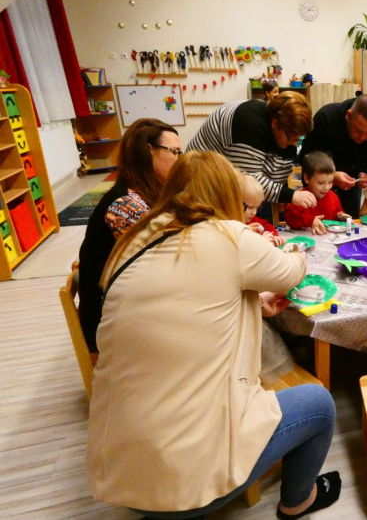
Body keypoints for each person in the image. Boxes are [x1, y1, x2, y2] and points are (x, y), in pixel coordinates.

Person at [87, 150, 341, 519]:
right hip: (188, 478)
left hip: (120, 473)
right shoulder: (227, 235)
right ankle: (297, 500)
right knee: (320, 404)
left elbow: (187, 307)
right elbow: (291, 273)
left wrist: (251, 303)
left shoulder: (137, 239)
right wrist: (297, 250)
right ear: (226, 194)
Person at [77, 118, 181, 356]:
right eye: (174, 152)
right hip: (111, 320)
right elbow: (161, 266)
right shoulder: (125, 204)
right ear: (149, 151)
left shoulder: (145, 194)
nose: (179, 160)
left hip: (130, 303)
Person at [186, 92, 316, 216]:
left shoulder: (286, 133)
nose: (294, 144)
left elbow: (279, 171)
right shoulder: (248, 123)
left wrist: (283, 195)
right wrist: (291, 195)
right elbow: (248, 181)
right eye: (291, 138)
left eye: (298, 139)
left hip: (229, 184)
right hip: (200, 183)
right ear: (275, 123)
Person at [300, 95, 367, 218]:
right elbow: (306, 158)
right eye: (358, 130)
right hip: (318, 185)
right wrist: (332, 176)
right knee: (315, 221)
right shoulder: (326, 118)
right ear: (348, 116)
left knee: (349, 221)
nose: (362, 137)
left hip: (352, 185)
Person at [284, 151, 351, 234]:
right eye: (321, 183)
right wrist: (310, 221)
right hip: (306, 238)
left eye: (330, 182)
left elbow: (337, 211)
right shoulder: (301, 198)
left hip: (328, 238)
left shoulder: (333, 196)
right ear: (307, 178)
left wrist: (340, 215)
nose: (326, 187)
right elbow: (289, 218)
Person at [241, 174, 284, 246]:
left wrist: (274, 236)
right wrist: (261, 241)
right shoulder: (229, 224)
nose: (254, 212)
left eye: (257, 207)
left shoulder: (253, 220)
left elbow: (267, 225)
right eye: (250, 207)